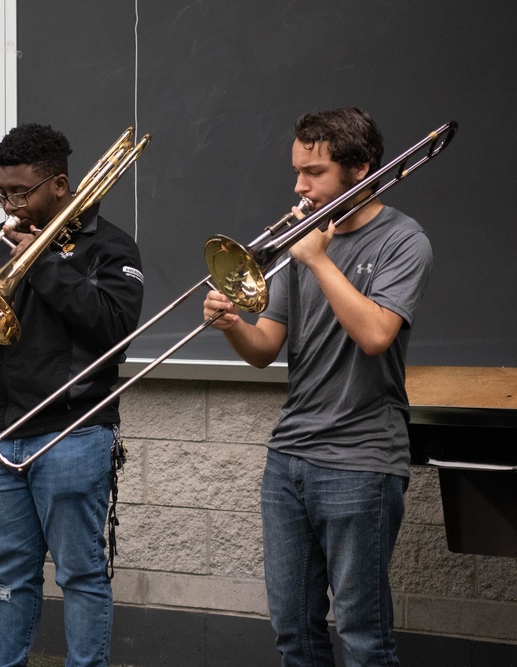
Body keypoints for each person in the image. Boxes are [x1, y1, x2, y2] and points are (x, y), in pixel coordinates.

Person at [202, 108, 433, 666]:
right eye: (297, 170)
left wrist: (318, 259)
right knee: (293, 629)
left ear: (359, 169)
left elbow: (377, 335)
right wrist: (233, 325)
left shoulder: (404, 241)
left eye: (315, 172)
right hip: (289, 460)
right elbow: (265, 351)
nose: (299, 186)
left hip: (361, 461)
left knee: (362, 634)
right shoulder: (299, 244)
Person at [0, 123, 144, 667]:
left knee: (80, 574)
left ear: (58, 185)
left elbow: (114, 328)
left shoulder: (110, 247)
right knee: (10, 574)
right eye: (1, 192)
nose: (10, 204)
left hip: (73, 432)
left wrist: (45, 264)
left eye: (20, 192)